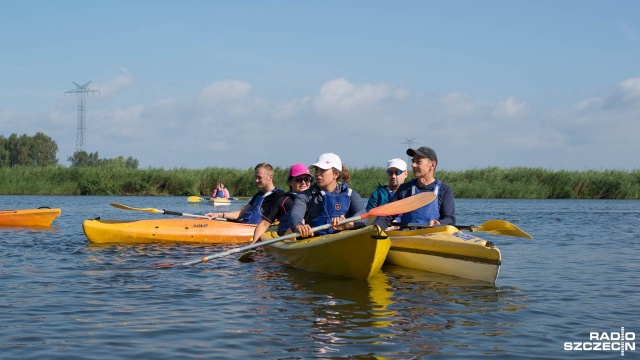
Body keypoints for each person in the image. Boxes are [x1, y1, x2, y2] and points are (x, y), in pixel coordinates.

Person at [373, 146, 455, 229]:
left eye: (418, 162)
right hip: (407, 236)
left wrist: (439, 222)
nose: (413, 165)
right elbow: (387, 214)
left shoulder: (445, 190)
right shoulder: (404, 189)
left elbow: (450, 219)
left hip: (432, 236)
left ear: (432, 165)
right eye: (413, 161)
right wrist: (375, 228)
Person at [289, 153, 366, 238]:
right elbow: (295, 215)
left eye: (322, 170)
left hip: (343, 237)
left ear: (336, 174)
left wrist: (348, 225)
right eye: (316, 170)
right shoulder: (304, 196)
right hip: (315, 240)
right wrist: (298, 226)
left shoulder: (351, 194)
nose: (317, 173)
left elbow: (363, 213)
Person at [249, 163, 312, 244]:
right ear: (290, 182)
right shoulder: (283, 199)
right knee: (301, 222)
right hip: (287, 237)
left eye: (307, 179)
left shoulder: (315, 198)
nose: (303, 182)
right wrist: (254, 242)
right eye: (298, 179)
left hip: (310, 235)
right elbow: (264, 223)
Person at [206, 163, 284, 224]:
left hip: (260, 231)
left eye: (259, 177)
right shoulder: (259, 195)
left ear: (270, 177)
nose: (256, 180)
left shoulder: (280, 195)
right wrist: (219, 215)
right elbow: (240, 213)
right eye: (255, 177)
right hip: (246, 227)